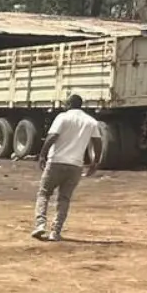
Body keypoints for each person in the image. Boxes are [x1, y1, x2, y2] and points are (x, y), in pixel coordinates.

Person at [32, 95, 103, 242]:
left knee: (44, 193)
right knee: (64, 199)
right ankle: (55, 232)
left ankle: (40, 225)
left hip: (56, 162)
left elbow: (52, 137)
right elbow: (98, 143)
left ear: (70, 104)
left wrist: (42, 155)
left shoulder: (62, 117)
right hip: (76, 165)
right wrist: (95, 162)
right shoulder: (91, 122)